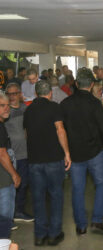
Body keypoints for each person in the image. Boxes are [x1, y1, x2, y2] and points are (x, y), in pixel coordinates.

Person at [60, 68, 103, 236]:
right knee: (102, 184)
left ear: (77, 84)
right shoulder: (95, 103)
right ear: (92, 84)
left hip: (75, 155)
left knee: (78, 189)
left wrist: (65, 152)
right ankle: (97, 221)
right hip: (95, 152)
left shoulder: (65, 104)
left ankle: (80, 225)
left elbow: (60, 129)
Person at [23, 80, 71, 246]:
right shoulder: (54, 107)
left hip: (35, 161)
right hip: (53, 160)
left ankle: (39, 235)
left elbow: (27, 134)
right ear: (50, 92)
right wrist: (66, 153)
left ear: (36, 93)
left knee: (38, 198)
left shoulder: (28, 110)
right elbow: (60, 130)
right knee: (56, 196)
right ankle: (54, 234)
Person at [4, 84, 33, 222]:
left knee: (23, 183)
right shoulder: (5, 111)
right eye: (9, 94)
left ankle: (18, 210)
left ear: (20, 94)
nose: (12, 96)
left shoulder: (25, 109)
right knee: (11, 185)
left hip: (25, 153)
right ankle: (14, 212)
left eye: (14, 93)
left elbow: (28, 128)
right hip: (12, 156)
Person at [0, 92, 20, 230]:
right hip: (3, 177)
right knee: (5, 215)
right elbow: (2, 153)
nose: (6, 108)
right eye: (2, 105)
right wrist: (14, 174)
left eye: (7, 105)